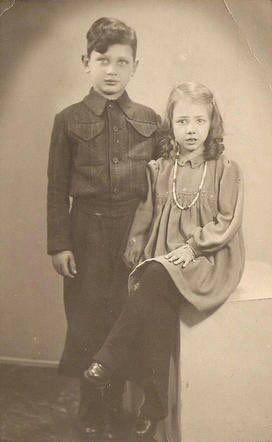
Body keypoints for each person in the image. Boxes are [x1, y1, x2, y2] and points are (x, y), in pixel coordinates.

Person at [84, 82, 245, 440]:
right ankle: (155, 403)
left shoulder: (224, 168)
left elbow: (227, 221)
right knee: (155, 307)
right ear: (170, 125)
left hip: (207, 258)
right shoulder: (161, 168)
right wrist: (136, 244)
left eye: (199, 121)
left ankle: (109, 356)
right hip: (165, 255)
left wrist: (193, 247)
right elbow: (147, 211)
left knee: (156, 277)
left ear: (211, 124)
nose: (191, 129)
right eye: (183, 121)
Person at [47, 17, 161, 440]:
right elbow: (56, 186)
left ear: (135, 66)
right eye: (102, 60)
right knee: (86, 319)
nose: (111, 70)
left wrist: (145, 236)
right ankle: (90, 404)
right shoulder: (68, 119)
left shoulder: (150, 120)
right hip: (85, 233)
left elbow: (159, 185)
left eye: (122, 62)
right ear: (86, 62)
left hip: (135, 233)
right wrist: (59, 244)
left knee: (126, 318)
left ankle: (117, 405)